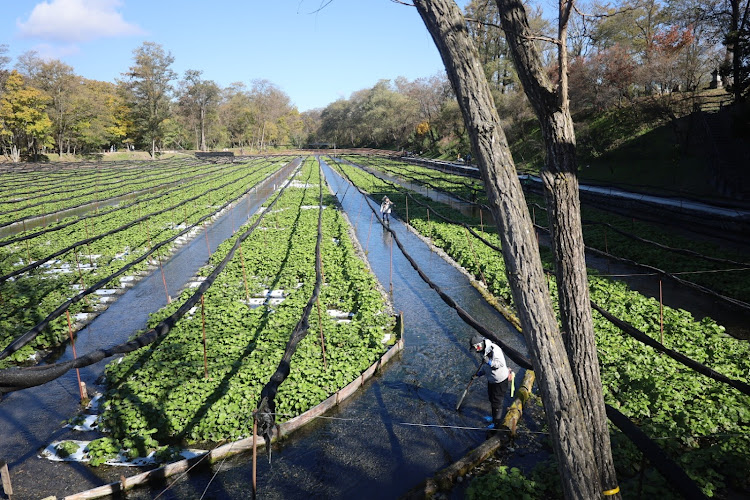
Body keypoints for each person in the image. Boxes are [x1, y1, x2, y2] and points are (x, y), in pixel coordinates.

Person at [470, 334, 513, 429]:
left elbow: (499, 364)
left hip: (500, 380)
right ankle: (493, 418)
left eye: (475, 349)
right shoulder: (483, 350)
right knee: (491, 399)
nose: (476, 351)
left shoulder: (495, 350)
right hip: (492, 379)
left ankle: (496, 424)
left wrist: (489, 362)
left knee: (497, 403)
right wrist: (478, 374)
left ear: (479, 345)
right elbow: (486, 367)